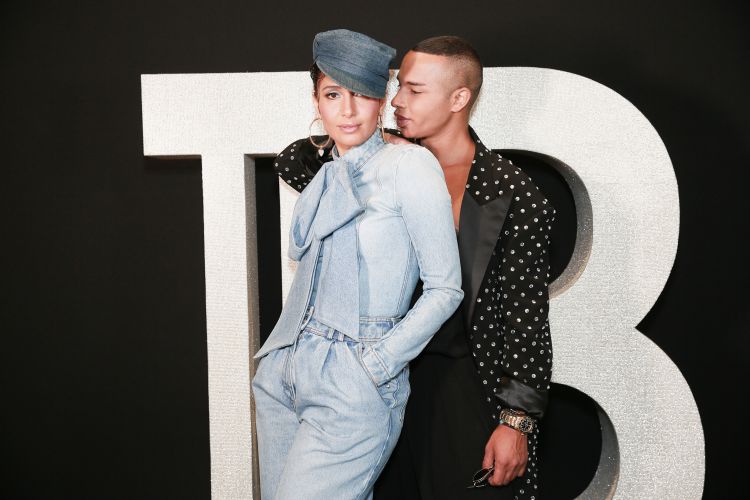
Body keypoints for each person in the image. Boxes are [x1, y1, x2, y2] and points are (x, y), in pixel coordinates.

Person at [274, 36, 554, 500]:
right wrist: (372, 142)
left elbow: (526, 318)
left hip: (462, 385)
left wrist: (517, 421)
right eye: (398, 86)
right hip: (375, 384)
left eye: (415, 90)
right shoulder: (376, 165)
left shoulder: (510, 192)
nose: (397, 101)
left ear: (458, 99)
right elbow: (292, 161)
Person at [251, 29, 463, 500]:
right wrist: (278, 363)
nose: (347, 110)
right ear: (316, 101)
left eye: (362, 94)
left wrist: (376, 364)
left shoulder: (408, 166)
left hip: (353, 376)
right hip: (285, 371)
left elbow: (445, 288)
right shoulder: (325, 175)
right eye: (332, 94)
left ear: (382, 99)